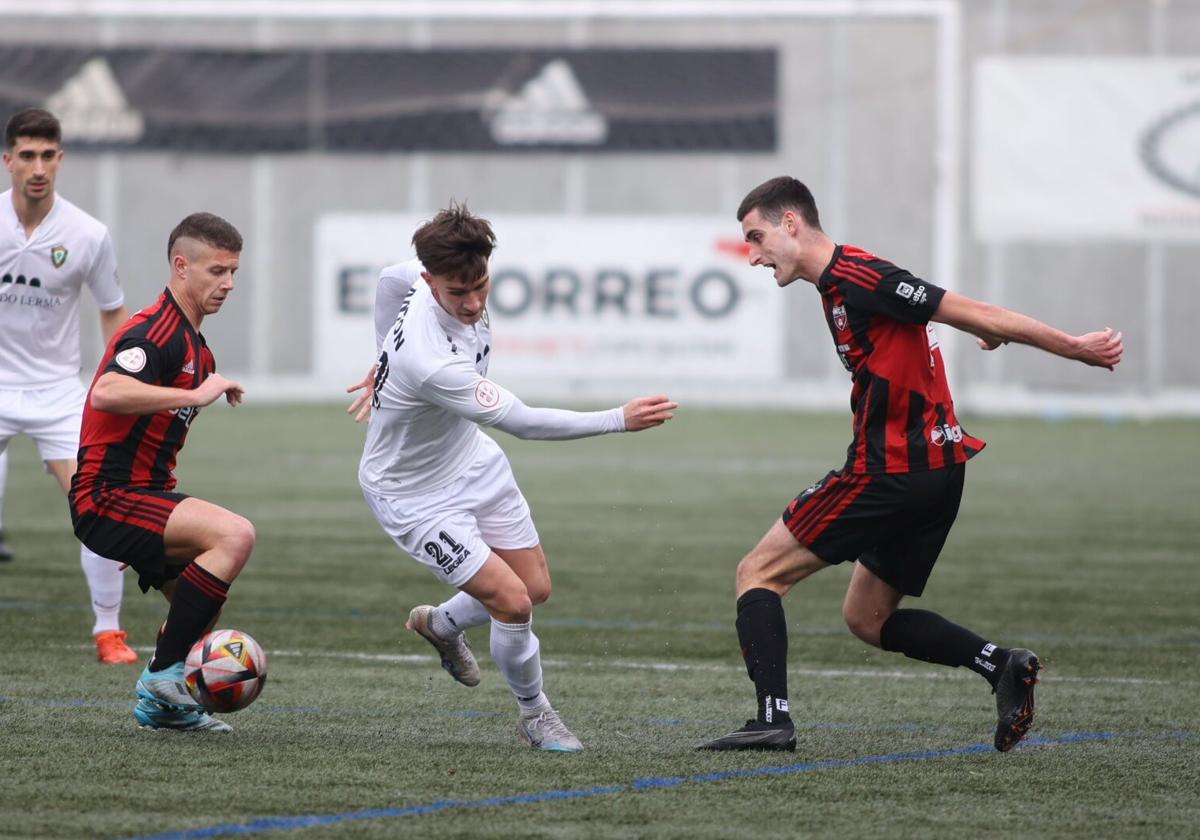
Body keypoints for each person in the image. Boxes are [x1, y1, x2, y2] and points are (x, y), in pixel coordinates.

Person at [698, 176, 1123, 753]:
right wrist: (984, 332)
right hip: (940, 470)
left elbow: (965, 307)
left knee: (758, 573)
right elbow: (941, 316)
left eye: (756, 237)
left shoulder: (859, 276)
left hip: (890, 471)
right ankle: (1001, 666)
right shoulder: (839, 283)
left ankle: (772, 720)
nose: (751, 255)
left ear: (791, 223)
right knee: (867, 617)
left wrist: (1074, 347)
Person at [349, 203, 676, 753]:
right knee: (513, 602)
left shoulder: (416, 275)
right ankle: (536, 715)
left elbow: (387, 281)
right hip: (411, 495)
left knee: (536, 588)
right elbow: (523, 421)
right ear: (430, 282)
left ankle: (442, 624)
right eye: (458, 293)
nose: (474, 303)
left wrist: (380, 354)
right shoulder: (431, 361)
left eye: (481, 286)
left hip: (472, 461)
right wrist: (618, 419)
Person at [69, 212, 252, 732]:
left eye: (234, 272)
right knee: (235, 536)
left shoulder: (198, 345)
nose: (228, 284)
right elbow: (106, 390)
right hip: (105, 494)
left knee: (201, 604)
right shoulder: (155, 331)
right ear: (181, 265)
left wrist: (146, 533)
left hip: (140, 497)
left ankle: (163, 709)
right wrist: (194, 394)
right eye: (217, 271)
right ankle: (161, 676)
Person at [0, 108, 135, 662]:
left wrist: (120, 383)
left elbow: (113, 312)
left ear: (60, 160)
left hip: (58, 392)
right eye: (26, 155)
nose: (38, 167)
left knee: (97, 511)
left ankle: (109, 631)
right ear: (7, 161)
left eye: (47, 155)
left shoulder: (87, 234)